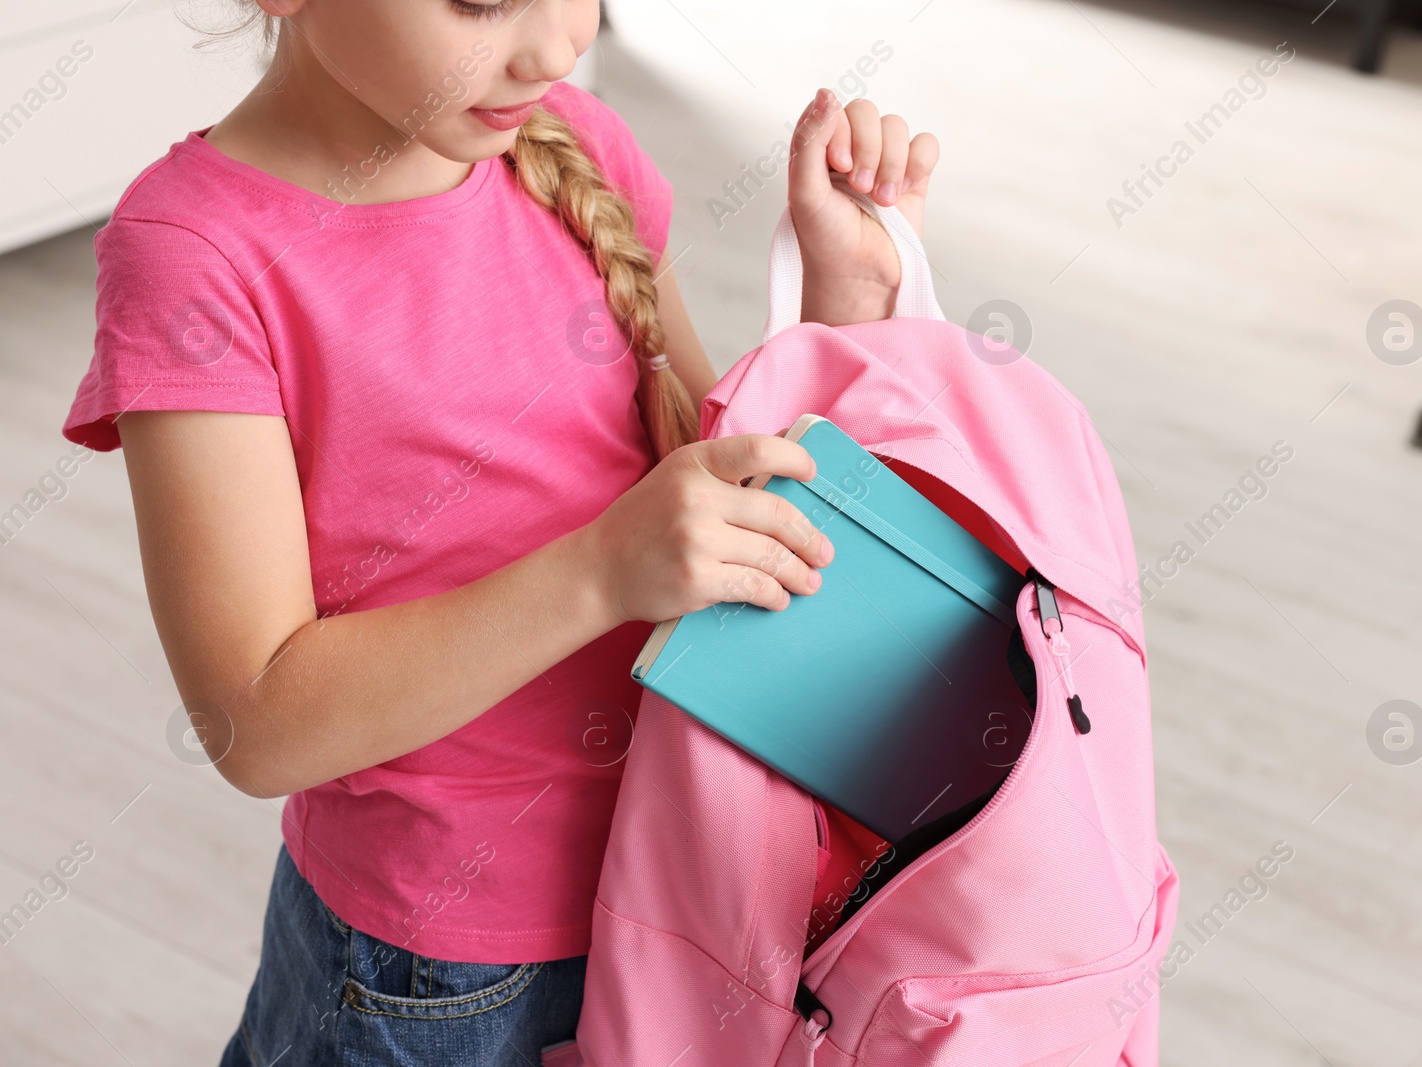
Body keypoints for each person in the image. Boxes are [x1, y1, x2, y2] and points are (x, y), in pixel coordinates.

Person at [59, 0, 939, 1062]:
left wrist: (846, 307)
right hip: (437, 979)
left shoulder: (573, 141)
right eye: (483, 1)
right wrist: (601, 571)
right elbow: (260, 723)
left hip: (688, 896)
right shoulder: (197, 255)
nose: (559, 44)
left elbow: (722, 506)